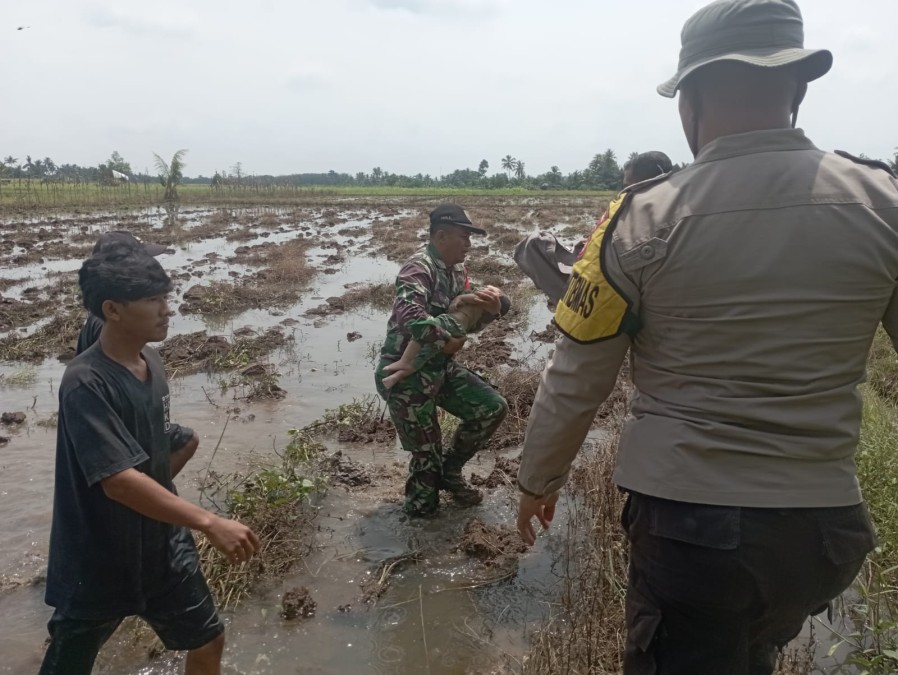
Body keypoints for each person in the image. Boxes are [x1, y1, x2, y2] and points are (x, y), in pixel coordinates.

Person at [515, 0, 898, 673]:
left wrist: (536, 479)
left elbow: (576, 377)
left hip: (691, 531)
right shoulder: (883, 202)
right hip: (823, 531)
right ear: (798, 89)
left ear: (688, 99)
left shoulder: (636, 219)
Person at [40, 247, 259, 675]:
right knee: (69, 663)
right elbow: (119, 481)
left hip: (162, 547)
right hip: (99, 556)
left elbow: (154, 447)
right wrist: (209, 522)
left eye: (165, 297)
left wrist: (163, 496)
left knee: (208, 638)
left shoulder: (151, 362)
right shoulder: (86, 382)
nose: (166, 310)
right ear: (113, 310)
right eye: (153, 300)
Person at [374, 204, 510, 518]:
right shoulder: (418, 268)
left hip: (439, 367)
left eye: (470, 238)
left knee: (491, 408)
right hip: (406, 376)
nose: (469, 244)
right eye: (464, 237)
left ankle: (450, 472)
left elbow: (463, 321)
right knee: (426, 458)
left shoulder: (457, 271)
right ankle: (420, 525)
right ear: (441, 235)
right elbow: (412, 318)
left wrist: (490, 310)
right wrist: (448, 341)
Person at [75, 231, 200, 474]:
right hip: (117, 445)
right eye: (151, 298)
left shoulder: (148, 358)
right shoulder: (105, 337)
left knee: (185, 440)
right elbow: (116, 474)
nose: (166, 310)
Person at [513, 151, 672, 306]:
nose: (626, 193)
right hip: (603, 268)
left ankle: (570, 300)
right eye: (626, 187)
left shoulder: (662, 220)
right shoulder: (624, 209)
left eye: (633, 187)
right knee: (535, 243)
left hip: (617, 285)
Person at [381, 292, 512, 389]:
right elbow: (477, 327)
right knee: (424, 355)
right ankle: (396, 377)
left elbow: (462, 298)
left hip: (450, 322)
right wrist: (496, 313)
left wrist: (458, 300)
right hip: (459, 331)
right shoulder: (487, 315)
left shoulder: (481, 300)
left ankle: (404, 361)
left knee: (422, 333)